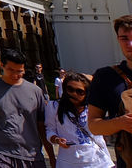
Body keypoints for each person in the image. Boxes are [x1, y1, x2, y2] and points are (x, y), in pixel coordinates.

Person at [0, 47, 53, 168]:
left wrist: (52, 157)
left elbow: (42, 126)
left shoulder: (35, 91)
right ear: (2, 65)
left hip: (32, 155)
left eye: (20, 71)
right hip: (1, 154)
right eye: (11, 70)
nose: (16, 75)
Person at [88, 14, 132, 168]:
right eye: (124, 38)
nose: (130, 44)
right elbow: (93, 125)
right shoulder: (106, 77)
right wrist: (121, 123)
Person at [48, 71, 114, 168]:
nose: (74, 94)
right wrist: (57, 139)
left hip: (98, 161)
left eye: (79, 91)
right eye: (70, 89)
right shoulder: (54, 107)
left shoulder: (94, 107)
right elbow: (50, 129)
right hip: (69, 161)